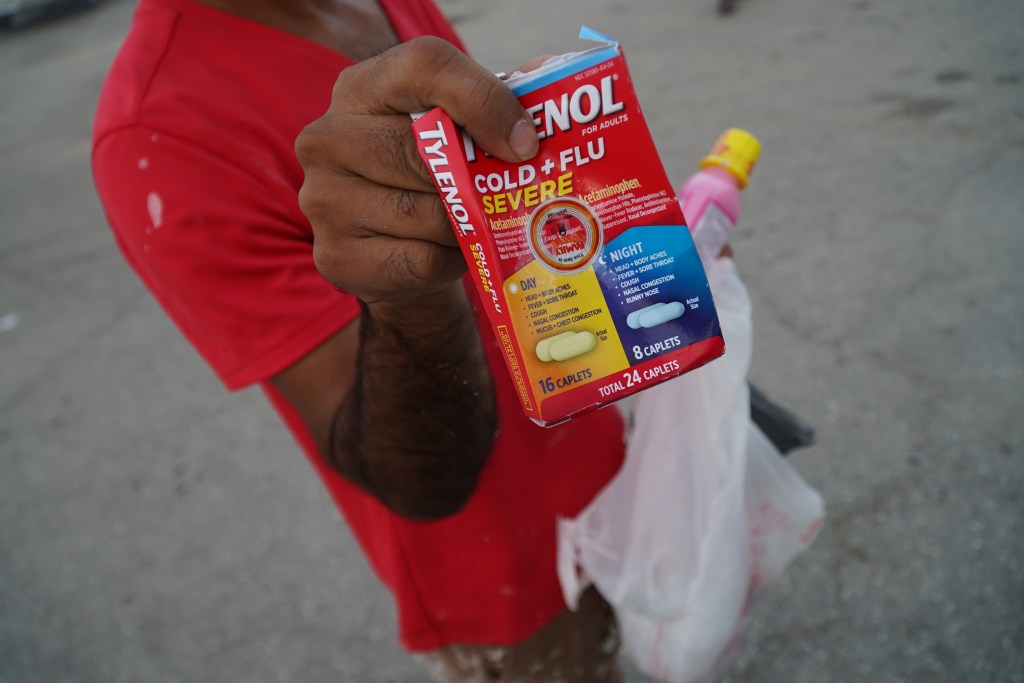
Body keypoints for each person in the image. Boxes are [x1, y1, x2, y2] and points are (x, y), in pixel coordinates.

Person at [91, 1, 627, 680]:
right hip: (501, 565)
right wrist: (411, 298)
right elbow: (411, 475)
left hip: (598, 452)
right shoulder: (157, 129)